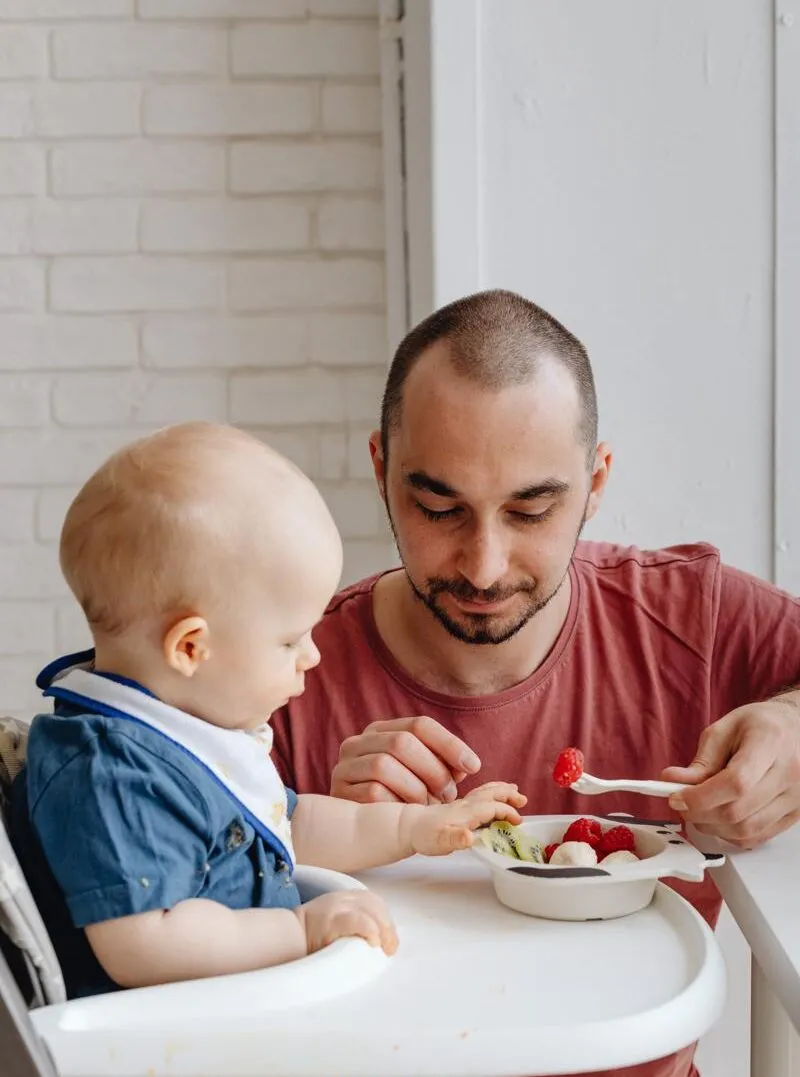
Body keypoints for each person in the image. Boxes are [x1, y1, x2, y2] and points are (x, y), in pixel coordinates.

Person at [270, 289, 800, 1077]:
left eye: (531, 511)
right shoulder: (278, 674)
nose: (484, 566)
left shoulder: (695, 618)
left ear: (596, 480)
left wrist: (795, 726)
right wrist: (314, 848)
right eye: (438, 505)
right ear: (382, 469)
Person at [9, 422, 525, 999]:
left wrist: (416, 827)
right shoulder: (113, 771)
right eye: (289, 640)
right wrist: (299, 929)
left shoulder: (191, 733)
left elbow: (294, 824)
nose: (313, 655)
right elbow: (144, 943)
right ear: (190, 648)